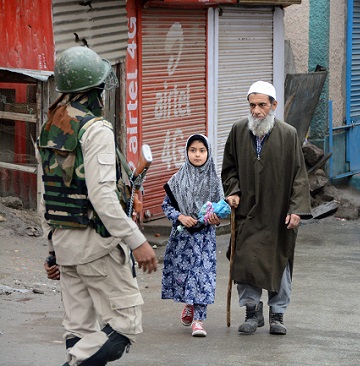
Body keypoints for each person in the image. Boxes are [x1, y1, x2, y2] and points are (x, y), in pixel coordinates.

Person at [38, 46, 158, 366]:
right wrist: (138, 242)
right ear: (94, 90)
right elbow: (102, 198)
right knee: (124, 326)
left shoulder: (52, 124)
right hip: (96, 245)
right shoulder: (95, 129)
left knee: (80, 328)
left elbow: (49, 194)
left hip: (65, 243)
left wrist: (53, 249)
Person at [221, 80, 312, 335]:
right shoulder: (238, 131)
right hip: (247, 211)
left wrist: (296, 209)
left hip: (278, 212)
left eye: (262, 105)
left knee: (278, 261)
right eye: (252, 105)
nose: (256, 111)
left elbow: (299, 176)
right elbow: (229, 170)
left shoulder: (288, 134)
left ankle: (277, 315)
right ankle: (252, 312)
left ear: (274, 105)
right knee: (245, 262)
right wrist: (234, 191)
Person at [161, 134, 226, 337]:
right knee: (186, 275)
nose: (197, 155)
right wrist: (180, 216)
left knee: (202, 277)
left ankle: (198, 320)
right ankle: (189, 304)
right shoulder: (178, 179)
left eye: (202, 150)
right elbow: (166, 205)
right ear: (186, 152)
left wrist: (215, 218)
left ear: (208, 153)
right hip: (182, 238)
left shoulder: (214, 181)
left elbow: (221, 208)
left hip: (204, 238)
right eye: (193, 150)